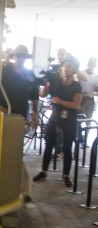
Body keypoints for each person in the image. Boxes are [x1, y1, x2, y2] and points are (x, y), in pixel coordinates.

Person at [0, 45, 39, 202]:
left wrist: (35, 114)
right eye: (19, 55)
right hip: (3, 118)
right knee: (7, 153)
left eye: (24, 56)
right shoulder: (3, 71)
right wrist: (2, 110)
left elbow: (35, 96)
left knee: (14, 153)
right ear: (14, 56)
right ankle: (16, 189)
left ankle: (21, 189)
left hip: (20, 120)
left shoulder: (30, 75)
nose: (21, 59)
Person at [33, 55, 82, 187]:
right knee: (49, 144)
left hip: (69, 119)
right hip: (55, 116)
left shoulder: (76, 86)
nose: (66, 69)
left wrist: (60, 101)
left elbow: (76, 105)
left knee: (67, 147)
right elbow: (43, 94)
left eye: (69, 66)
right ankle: (43, 171)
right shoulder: (56, 82)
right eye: (64, 66)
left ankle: (66, 175)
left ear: (74, 69)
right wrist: (44, 84)